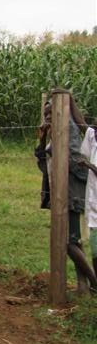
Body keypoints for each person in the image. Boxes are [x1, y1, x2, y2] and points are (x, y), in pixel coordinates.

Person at [35, 93, 97, 295]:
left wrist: (67, 98)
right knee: (73, 240)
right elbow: (42, 164)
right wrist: (42, 139)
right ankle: (83, 286)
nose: (48, 117)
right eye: (45, 114)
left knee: (68, 241)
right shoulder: (52, 135)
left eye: (51, 113)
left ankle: (94, 283)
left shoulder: (68, 134)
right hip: (60, 193)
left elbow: (75, 161)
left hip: (71, 193)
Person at [80, 117, 97, 278]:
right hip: (94, 206)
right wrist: (70, 103)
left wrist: (88, 165)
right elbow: (84, 125)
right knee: (95, 249)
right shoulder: (93, 138)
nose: (94, 132)